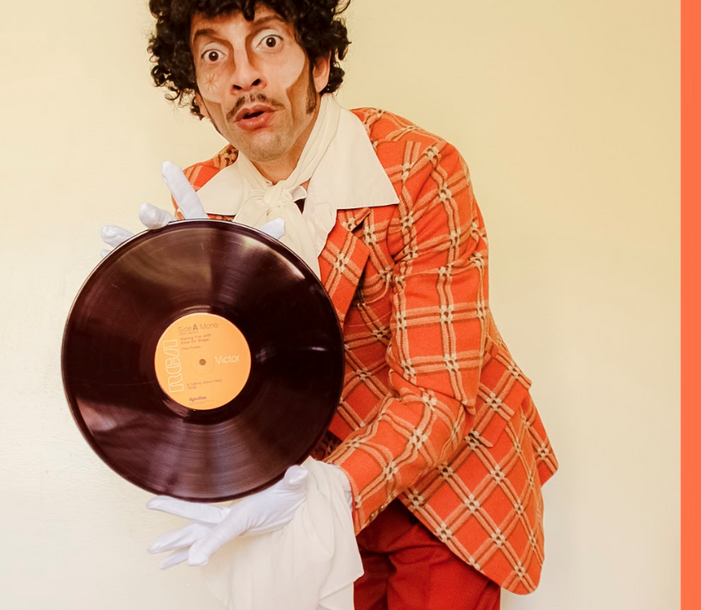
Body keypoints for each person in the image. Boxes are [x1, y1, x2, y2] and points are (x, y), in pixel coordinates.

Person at [101, 1, 558, 608]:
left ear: (319, 61)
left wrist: (331, 492)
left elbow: (439, 393)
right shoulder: (201, 204)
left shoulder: (419, 167)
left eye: (267, 43)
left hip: (451, 487)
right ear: (199, 89)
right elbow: (229, 395)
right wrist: (164, 319)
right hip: (302, 498)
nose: (243, 76)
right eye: (214, 55)